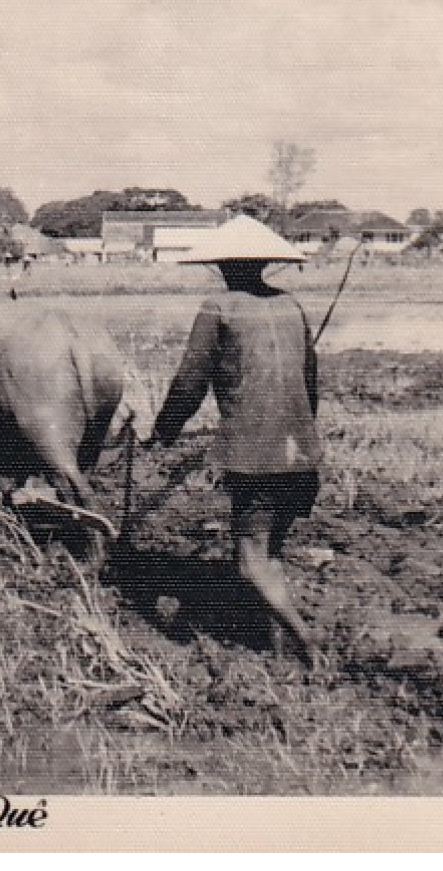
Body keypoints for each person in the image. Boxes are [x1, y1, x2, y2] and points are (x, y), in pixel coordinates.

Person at [146, 216, 322, 667]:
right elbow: (311, 382)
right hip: (301, 453)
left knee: (248, 562)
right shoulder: (292, 306)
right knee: (270, 552)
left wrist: (165, 429)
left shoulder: (218, 308)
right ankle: (278, 650)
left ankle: (306, 640)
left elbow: (190, 381)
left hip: (254, 455)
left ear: (223, 265)